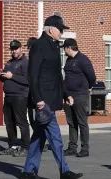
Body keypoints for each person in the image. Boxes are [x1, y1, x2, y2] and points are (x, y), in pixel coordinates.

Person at [20, 15, 83, 179]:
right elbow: (32, 76)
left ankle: (28, 171)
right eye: (60, 29)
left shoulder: (54, 47)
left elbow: (57, 75)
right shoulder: (39, 46)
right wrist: (38, 99)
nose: (62, 32)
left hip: (52, 99)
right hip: (43, 101)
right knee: (55, 137)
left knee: (38, 137)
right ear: (50, 29)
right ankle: (65, 171)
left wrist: (66, 94)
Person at [61, 38, 96, 157]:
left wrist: (88, 87)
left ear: (69, 48)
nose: (64, 51)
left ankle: (85, 148)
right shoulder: (68, 60)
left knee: (82, 122)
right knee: (71, 122)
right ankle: (72, 147)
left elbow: (92, 76)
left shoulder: (83, 59)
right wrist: (66, 94)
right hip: (68, 95)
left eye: (65, 49)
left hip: (80, 95)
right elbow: (66, 78)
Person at [0, 40, 30, 157]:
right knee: (9, 123)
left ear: (21, 49)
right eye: (12, 49)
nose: (14, 51)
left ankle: (26, 147)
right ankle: (13, 145)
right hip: (9, 96)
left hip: (20, 96)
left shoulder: (26, 62)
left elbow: (28, 80)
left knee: (21, 122)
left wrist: (12, 76)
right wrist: (0, 75)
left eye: (16, 48)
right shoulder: (9, 63)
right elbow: (6, 79)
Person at [25, 37, 49, 153]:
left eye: (30, 47)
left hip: (38, 97)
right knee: (32, 119)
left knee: (40, 120)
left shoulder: (38, 61)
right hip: (30, 95)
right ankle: (40, 141)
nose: (28, 50)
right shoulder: (30, 61)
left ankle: (43, 142)